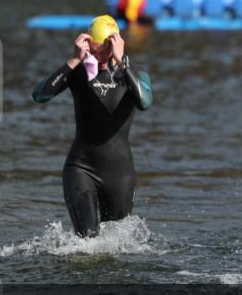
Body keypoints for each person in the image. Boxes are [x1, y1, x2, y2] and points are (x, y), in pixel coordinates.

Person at [32, 15, 153, 237]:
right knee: (86, 242)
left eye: (103, 52)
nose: (98, 58)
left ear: (116, 44)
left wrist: (123, 63)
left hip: (119, 174)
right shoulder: (77, 72)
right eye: (93, 51)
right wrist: (73, 60)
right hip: (81, 167)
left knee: (115, 247)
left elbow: (144, 102)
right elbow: (40, 95)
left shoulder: (135, 74)